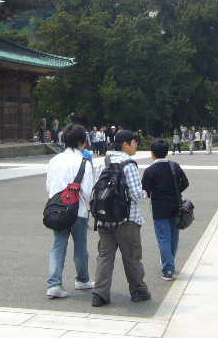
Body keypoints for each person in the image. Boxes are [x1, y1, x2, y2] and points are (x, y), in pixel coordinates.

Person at [92, 130, 150, 307]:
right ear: (125, 144)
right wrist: (146, 193)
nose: (136, 145)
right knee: (131, 256)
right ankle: (138, 291)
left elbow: (96, 189)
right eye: (134, 142)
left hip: (103, 219)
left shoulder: (104, 163)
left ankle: (99, 294)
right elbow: (136, 194)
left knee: (104, 256)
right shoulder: (129, 165)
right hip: (127, 220)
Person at [44, 124, 95, 298]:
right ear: (82, 142)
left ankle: (54, 284)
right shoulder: (84, 162)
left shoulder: (54, 161)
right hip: (78, 210)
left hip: (58, 209)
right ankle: (82, 279)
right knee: (80, 246)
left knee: (58, 245)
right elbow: (88, 190)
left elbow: (49, 186)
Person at [142, 139, 189, 280]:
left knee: (163, 238)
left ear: (152, 153)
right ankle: (170, 262)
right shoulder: (174, 166)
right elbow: (185, 182)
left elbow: (146, 190)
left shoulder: (150, 170)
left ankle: (168, 268)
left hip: (159, 207)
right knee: (174, 236)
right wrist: (175, 191)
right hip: (176, 205)